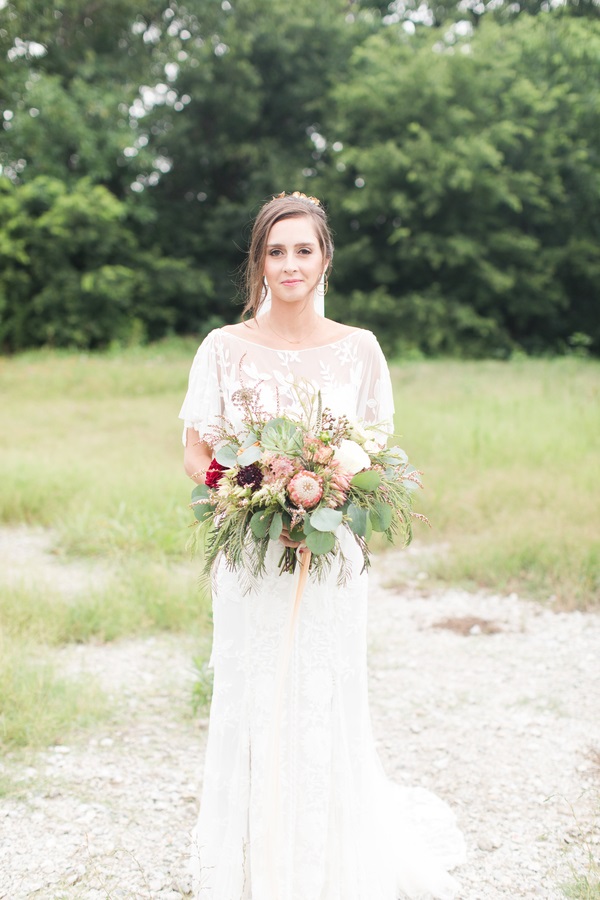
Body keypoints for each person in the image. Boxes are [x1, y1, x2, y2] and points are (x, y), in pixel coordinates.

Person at [179, 192, 465, 900]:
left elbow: (375, 447)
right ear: (259, 263)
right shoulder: (224, 347)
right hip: (253, 557)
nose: (290, 263)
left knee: (324, 697)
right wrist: (250, 491)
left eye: (303, 249)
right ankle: (253, 869)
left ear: (325, 257)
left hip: (331, 559)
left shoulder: (359, 348)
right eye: (276, 251)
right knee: (254, 697)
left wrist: (330, 486)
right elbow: (195, 449)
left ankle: (327, 866)